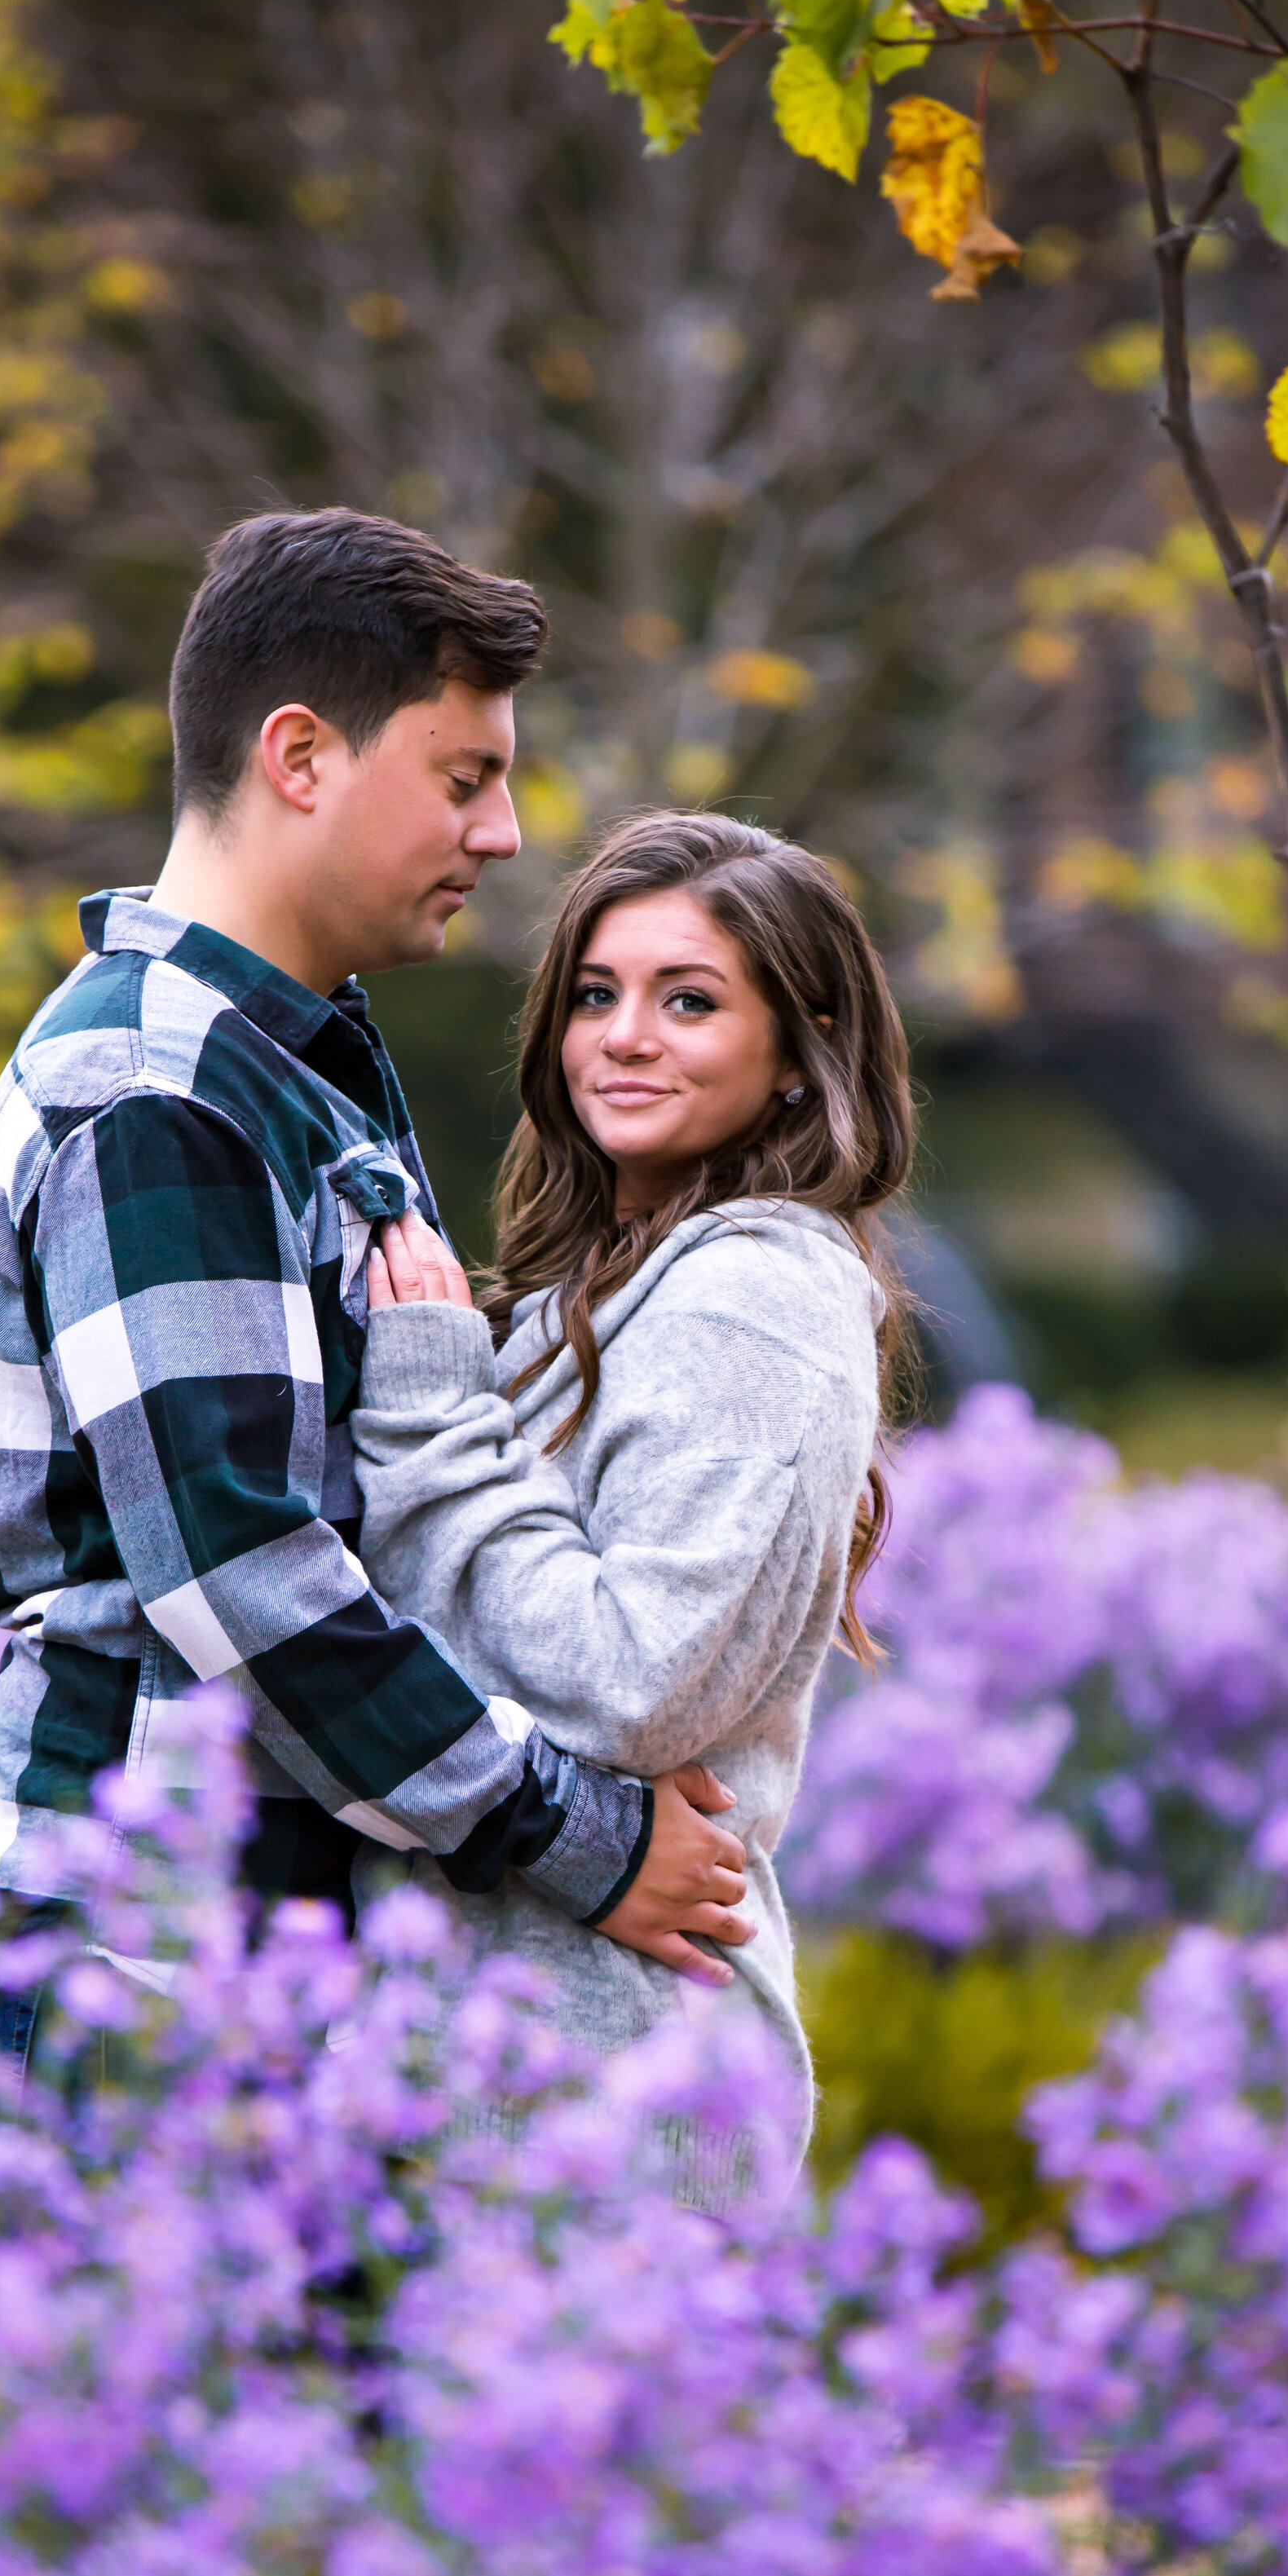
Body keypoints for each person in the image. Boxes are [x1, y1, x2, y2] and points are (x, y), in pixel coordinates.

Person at [0, 511, 752, 2038]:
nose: (501, 833)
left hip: (255, 1955)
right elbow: (240, 1571)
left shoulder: (279, 1061)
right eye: (465, 777)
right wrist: (579, 1838)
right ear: (301, 758)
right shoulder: (159, 1097)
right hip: (133, 1964)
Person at [351, 810, 915, 2177]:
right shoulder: (618, 1285)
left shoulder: (752, 1299)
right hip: (530, 2043)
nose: (624, 1035)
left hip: (615, 2074)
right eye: (596, 995)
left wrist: (431, 1403)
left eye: (691, 1000)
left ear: (802, 1048)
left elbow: (630, 1680)